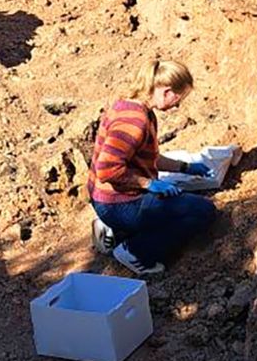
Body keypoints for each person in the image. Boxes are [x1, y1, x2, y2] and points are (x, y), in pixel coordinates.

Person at [87, 59, 217, 275]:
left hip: (105, 197)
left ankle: (113, 231)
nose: (177, 105)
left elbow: (148, 158)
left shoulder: (130, 106)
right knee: (202, 212)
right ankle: (135, 251)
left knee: (172, 202)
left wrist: (185, 167)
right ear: (166, 91)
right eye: (178, 98)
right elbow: (108, 169)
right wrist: (149, 184)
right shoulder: (135, 121)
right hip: (117, 202)